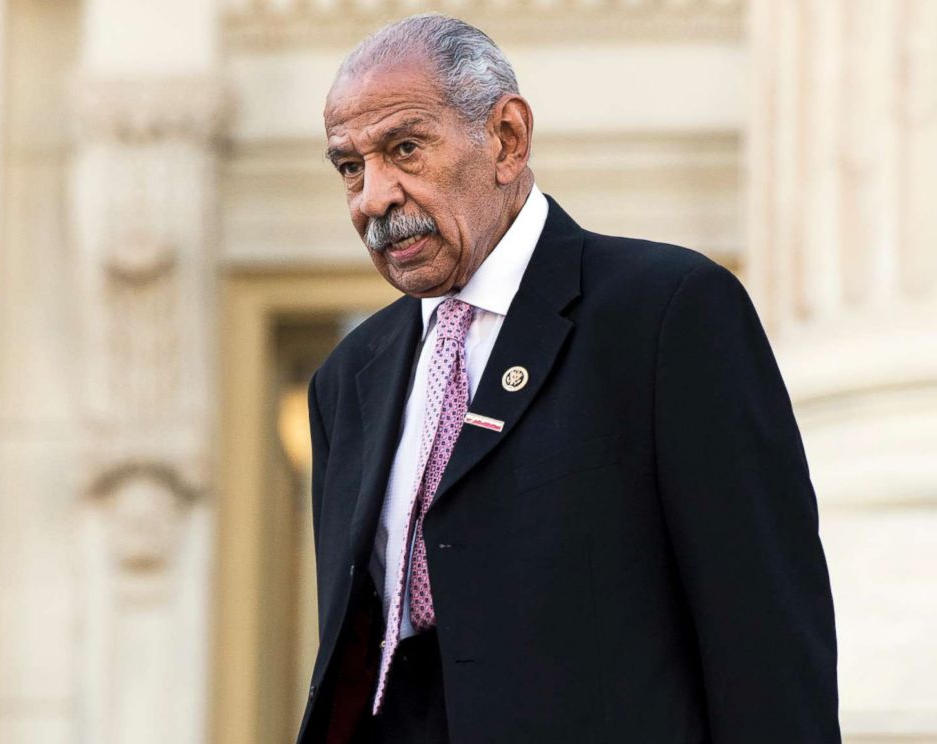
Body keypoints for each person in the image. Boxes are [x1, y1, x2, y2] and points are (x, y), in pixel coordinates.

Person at [298, 13, 840, 744]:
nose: (373, 197)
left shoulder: (665, 312)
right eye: (350, 167)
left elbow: (766, 633)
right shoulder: (346, 380)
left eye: (403, 149)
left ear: (507, 139)